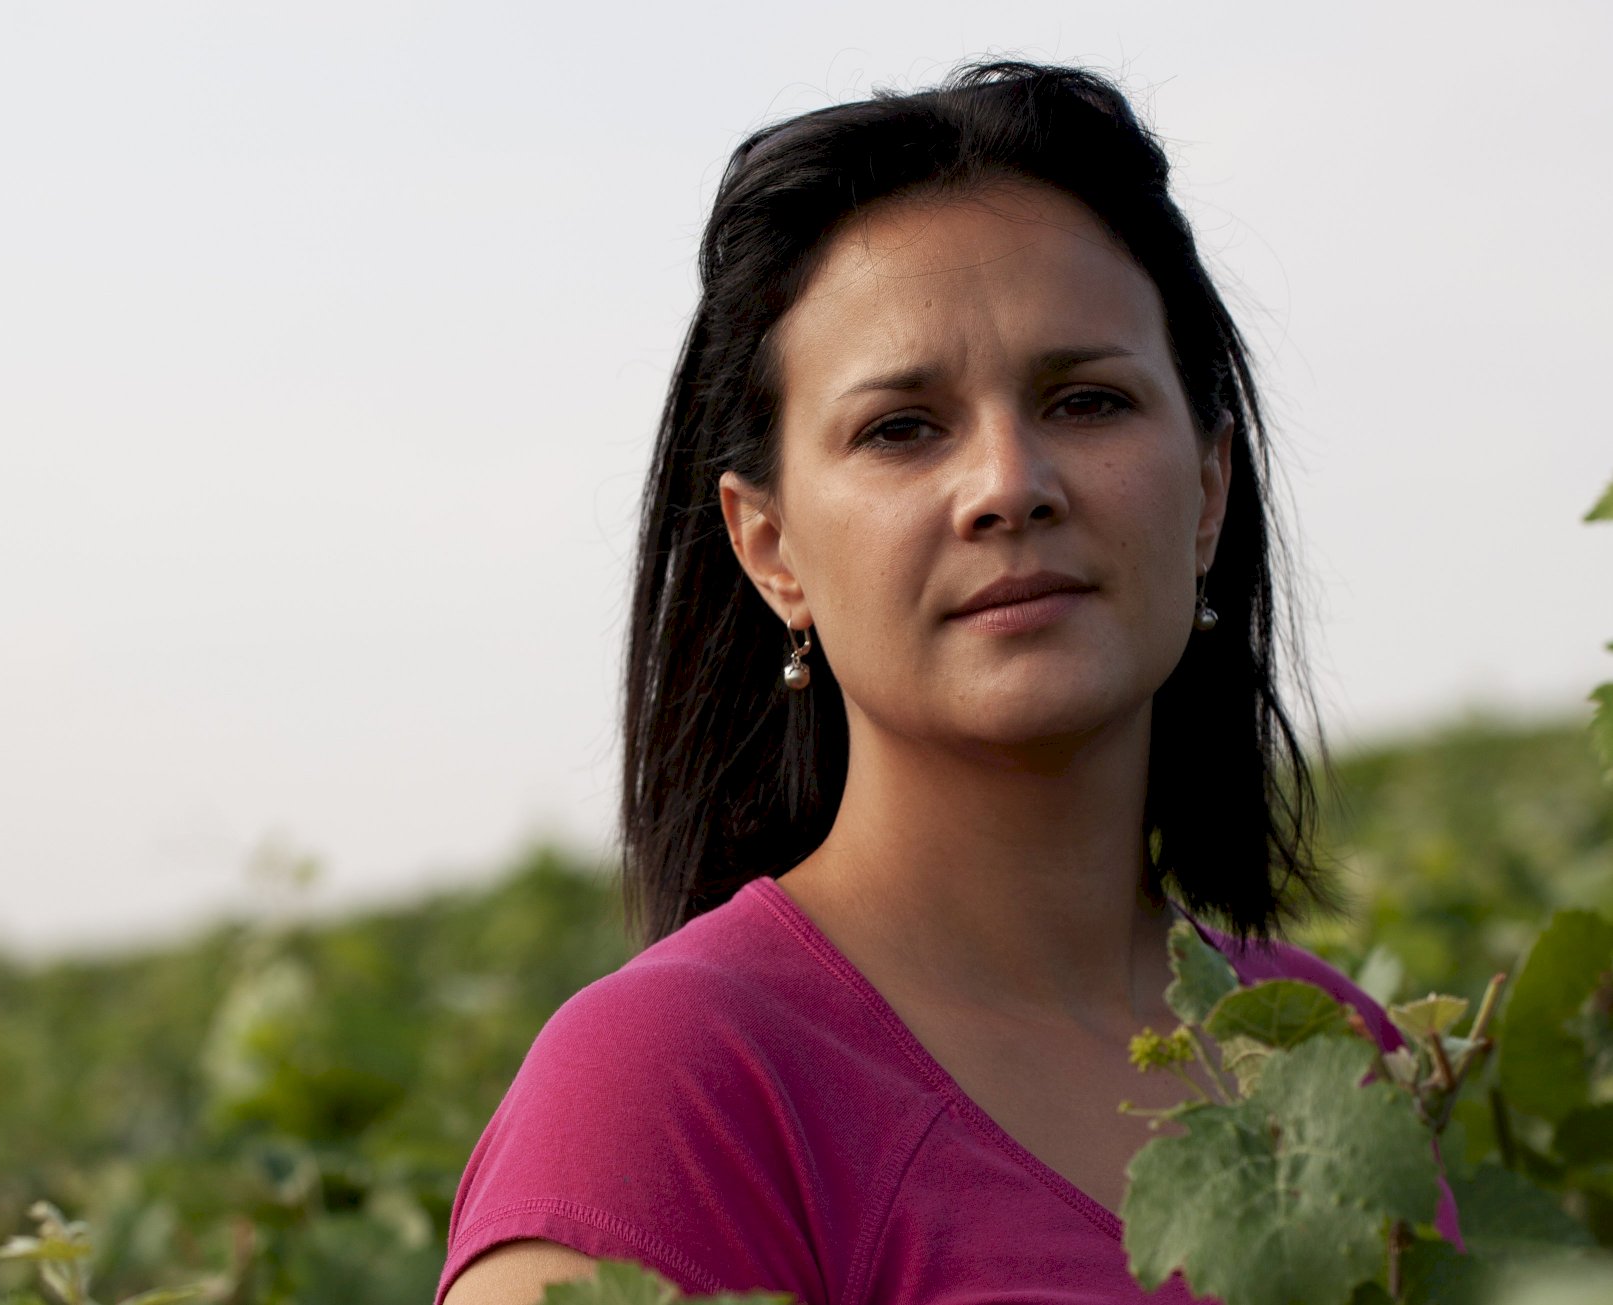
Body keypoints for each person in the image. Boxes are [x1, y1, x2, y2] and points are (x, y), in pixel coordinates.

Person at [435, 61, 1394, 1304]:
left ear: (1208, 491)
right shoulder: (667, 1094)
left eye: (1087, 401)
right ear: (769, 548)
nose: (1009, 484)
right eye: (900, 428)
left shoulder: (1331, 1052)